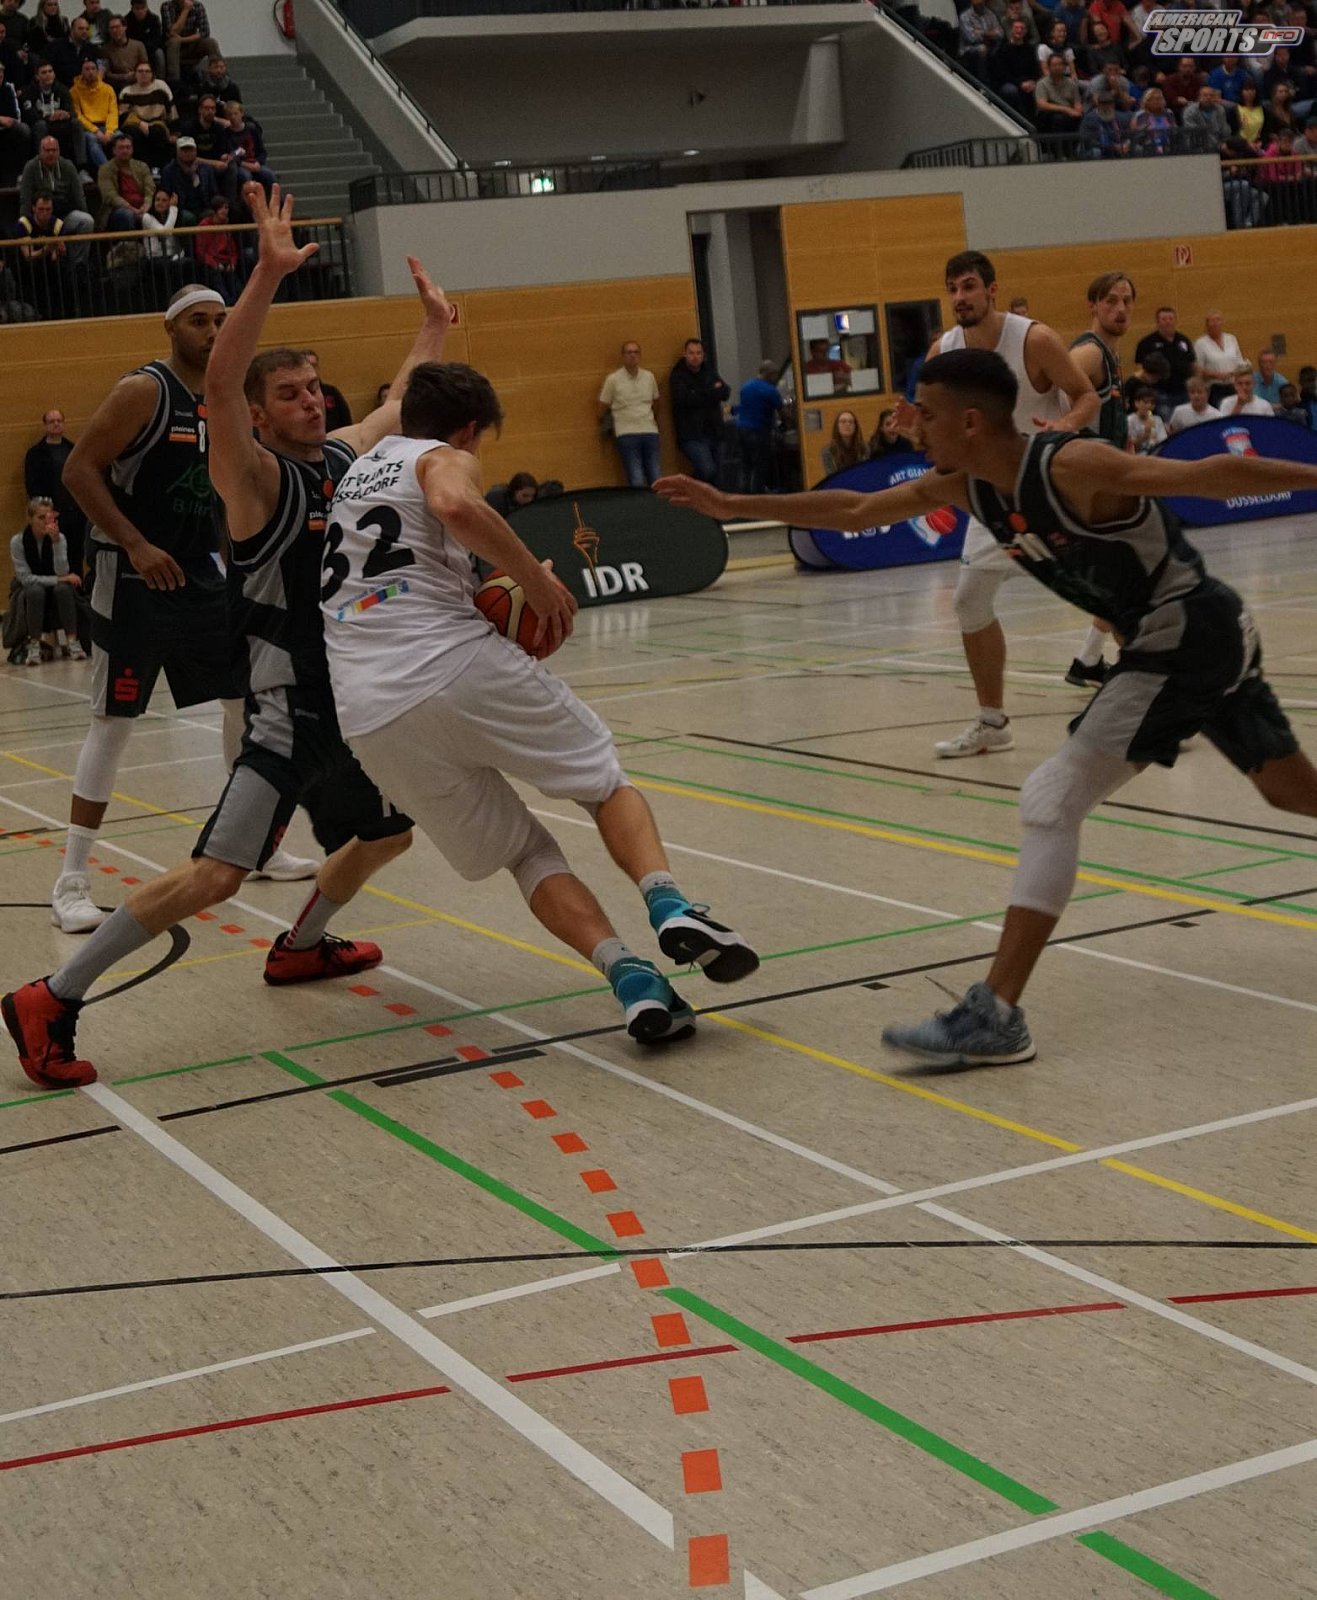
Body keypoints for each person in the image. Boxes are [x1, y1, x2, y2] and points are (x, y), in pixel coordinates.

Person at [656, 346, 1317, 1067]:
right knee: (1290, 791)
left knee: (1050, 798)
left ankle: (995, 1015)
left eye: (926, 413)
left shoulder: (1069, 466)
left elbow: (1205, 475)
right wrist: (732, 505)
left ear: (970, 421)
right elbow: (854, 510)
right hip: (1202, 634)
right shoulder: (970, 488)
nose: (913, 425)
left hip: (1184, 634)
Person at [2, 186, 455, 1091]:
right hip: (288, 713)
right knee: (214, 875)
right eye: (288, 394)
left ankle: (302, 945)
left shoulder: (341, 456)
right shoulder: (250, 477)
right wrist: (267, 277)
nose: (310, 402)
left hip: (348, 707)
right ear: (254, 414)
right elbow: (217, 381)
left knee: (387, 834)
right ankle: (50, 996)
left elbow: (398, 403)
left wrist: (432, 330)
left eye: (313, 388)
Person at [320, 361, 759, 1048]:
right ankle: (671, 905)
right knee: (604, 784)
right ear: (470, 430)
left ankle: (631, 979)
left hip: (368, 714)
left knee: (526, 854)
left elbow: (404, 574)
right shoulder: (441, 456)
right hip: (449, 664)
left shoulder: (354, 471)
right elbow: (454, 505)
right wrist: (535, 580)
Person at [47, 281, 311, 938]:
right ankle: (71, 878)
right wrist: (136, 544)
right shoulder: (145, 391)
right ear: (171, 328)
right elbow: (78, 470)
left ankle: (257, 845)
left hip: (200, 572)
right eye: (199, 321)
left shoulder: (227, 400)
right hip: (131, 571)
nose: (214, 330)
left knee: (244, 704)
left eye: (221, 319)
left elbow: (225, 493)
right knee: (114, 723)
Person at [910, 250, 1099, 759]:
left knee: (1109, 594)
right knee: (969, 602)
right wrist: (916, 428)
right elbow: (929, 419)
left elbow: (1087, 397)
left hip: (1049, 488)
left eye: (969, 286)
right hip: (990, 494)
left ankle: (1162, 704)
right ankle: (993, 723)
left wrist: (1063, 425)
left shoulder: (1034, 339)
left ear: (992, 291)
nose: (960, 297)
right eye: (952, 289)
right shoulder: (944, 351)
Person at [1063, 269, 1134, 689]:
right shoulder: (1089, 354)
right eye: (1111, 301)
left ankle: (1089, 661)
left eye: (1126, 301)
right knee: (1128, 575)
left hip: (1107, 481)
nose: (1120, 308)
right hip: (1086, 487)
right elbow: (1055, 398)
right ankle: (1135, 666)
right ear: (1093, 306)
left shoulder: (1111, 355)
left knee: (1121, 576)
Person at [4, 498, 85, 667]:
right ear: (30, 518)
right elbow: (26, 579)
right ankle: (34, 645)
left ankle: (72, 642)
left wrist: (56, 543)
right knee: (35, 591)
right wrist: (60, 579)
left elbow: (62, 571)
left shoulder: (60, 538)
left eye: (50, 518)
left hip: (55, 587)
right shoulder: (18, 541)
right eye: (41, 518)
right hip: (28, 589)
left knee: (64, 590)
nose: (46, 522)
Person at [25, 406, 88, 574]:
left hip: (75, 514)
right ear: (45, 426)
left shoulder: (73, 450)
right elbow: (32, 486)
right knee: (52, 557)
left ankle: (77, 589)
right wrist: (46, 512)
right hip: (51, 515)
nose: (56, 424)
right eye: (52, 421)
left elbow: (82, 480)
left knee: (76, 556)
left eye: (59, 421)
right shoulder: (35, 454)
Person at [598, 340, 660, 489]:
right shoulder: (613, 379)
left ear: (640, 355)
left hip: (650, 431)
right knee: (636, 478)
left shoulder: (649, 376)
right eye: (629, 352)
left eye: (636, 352)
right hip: (626, 433)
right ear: (623, 356)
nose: (632, 356)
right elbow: (602, 407)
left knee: (656, 476)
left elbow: (656, 402)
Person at [668, 337, 729, 485]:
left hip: (715, 431)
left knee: (719, 476)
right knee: (707, 470)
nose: (695, 357)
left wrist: (699, 393)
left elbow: (725, 392)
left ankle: (707, 499)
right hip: (692, 434)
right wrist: (711, 392)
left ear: (703, 355)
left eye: (698, 353)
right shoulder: (678, 376)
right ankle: (688, 489)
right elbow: (686, 399)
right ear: (685, 354)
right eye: (691, 353)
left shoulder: (709, 371)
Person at [21, 61, 86, 167]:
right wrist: (49, 117)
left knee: (76, 123)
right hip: (42, 124)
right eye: (44, 72)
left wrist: (66, 114)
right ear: (37, 77)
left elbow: (72, 111)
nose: (48, 74)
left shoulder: (62, 89)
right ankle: (41, 165)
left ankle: (82, 167)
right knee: (40, 125)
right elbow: (29, 115)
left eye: (50, 71)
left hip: (60, 123)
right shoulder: (29, 91)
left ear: (54, 74)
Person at [1133, 305, 1196, 411]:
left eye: (1171, 319)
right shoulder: (1146, 343)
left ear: (1175, 321)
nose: (1168, 322)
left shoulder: (1183, 340)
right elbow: (1140, 370)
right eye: (1164, 319)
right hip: (1159, 393)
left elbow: (1192, 364)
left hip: (1184, 392)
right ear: (1157, 323)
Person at [736, 360, 785, 494]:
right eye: (776, 375)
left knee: (746, 464)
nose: (777, 378)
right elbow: (783, 413)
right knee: (760, 465)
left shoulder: (745, 386)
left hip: (741, 429)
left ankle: (744, 493)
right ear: (770, 374)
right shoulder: (770, 390)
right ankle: (757, 494)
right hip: (758, 431)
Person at [118, 56, 174, 165]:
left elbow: (171, 109)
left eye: (147, 71)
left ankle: (156, 167)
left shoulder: (161, 87)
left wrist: (175, 132)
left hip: (158, 122)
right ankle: (140, 166)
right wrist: (140, 123)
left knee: (157, 132)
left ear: (152, 74)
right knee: (132, 133)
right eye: (140, 71)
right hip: (136, 123)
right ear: (135, 74)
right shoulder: (127, 91)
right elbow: (123, 114)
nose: (144, 74)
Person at [96, 128, 152, 230]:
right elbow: (110, 196)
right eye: (121, 148)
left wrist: (146, 205)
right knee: (127, 214)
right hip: (117, 211)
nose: (125, 150)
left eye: (128, 147)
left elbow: (150, 189)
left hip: (143, 208)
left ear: (132, 149)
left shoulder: (142, 166)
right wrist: (133, 209)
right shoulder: (105, 169)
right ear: (114, 150)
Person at [69, 53, 117, 170]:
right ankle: (108, 172)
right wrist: (96, 131)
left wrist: (109, 132)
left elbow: (113, 112)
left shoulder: (108, 89)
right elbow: (78, 116)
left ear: (97, 71)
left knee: (121, 138)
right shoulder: (74, 91)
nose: (90, 72)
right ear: (81, 72)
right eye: (87, 69)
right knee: (92, 140)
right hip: (89, 129)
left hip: (107, 126)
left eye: (93, 69)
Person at [159, 0, 220, 84]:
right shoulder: (167, 6)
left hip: (191, 45)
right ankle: (174, 83)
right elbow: (172, 32)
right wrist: (185, 11)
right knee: (174, 43)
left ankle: (218, 76)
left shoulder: (198, 6)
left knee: (211, 43)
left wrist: (183, 39)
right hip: (173, 49)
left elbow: (204, 32)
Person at [1193, 310, 1244, 405]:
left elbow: (1239, 362)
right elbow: (1198, 370)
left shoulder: (1231, 338)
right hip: (1213, 388)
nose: (1215, 323)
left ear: (1222, 322)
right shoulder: (1200, 343)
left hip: (1233, 385)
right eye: (1212, 321)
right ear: (1207, 325)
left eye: (1218, 320)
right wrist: (1217, 375)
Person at [302, 349, 350, 427]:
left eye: (314, 365)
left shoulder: (331, 392)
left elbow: (346, 420)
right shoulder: (299, 395)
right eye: (308, 365)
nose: (312, 369)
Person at [821, 409, 868, 476]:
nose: (847, 424)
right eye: (843, 421)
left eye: (851, 422)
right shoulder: (828, 451)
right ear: (837, 426)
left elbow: (866, 472)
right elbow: (832, 476)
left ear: (855, 427)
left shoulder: (865, 448)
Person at [1126, 385, 1168, 452]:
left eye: (1152, 403)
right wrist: (1145, 435)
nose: (1149, 406)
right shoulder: (1129, 420)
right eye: (1145, 402)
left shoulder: (1157, 419)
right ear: (1136, 403)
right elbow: (1131, 447)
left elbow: (1163, 442)